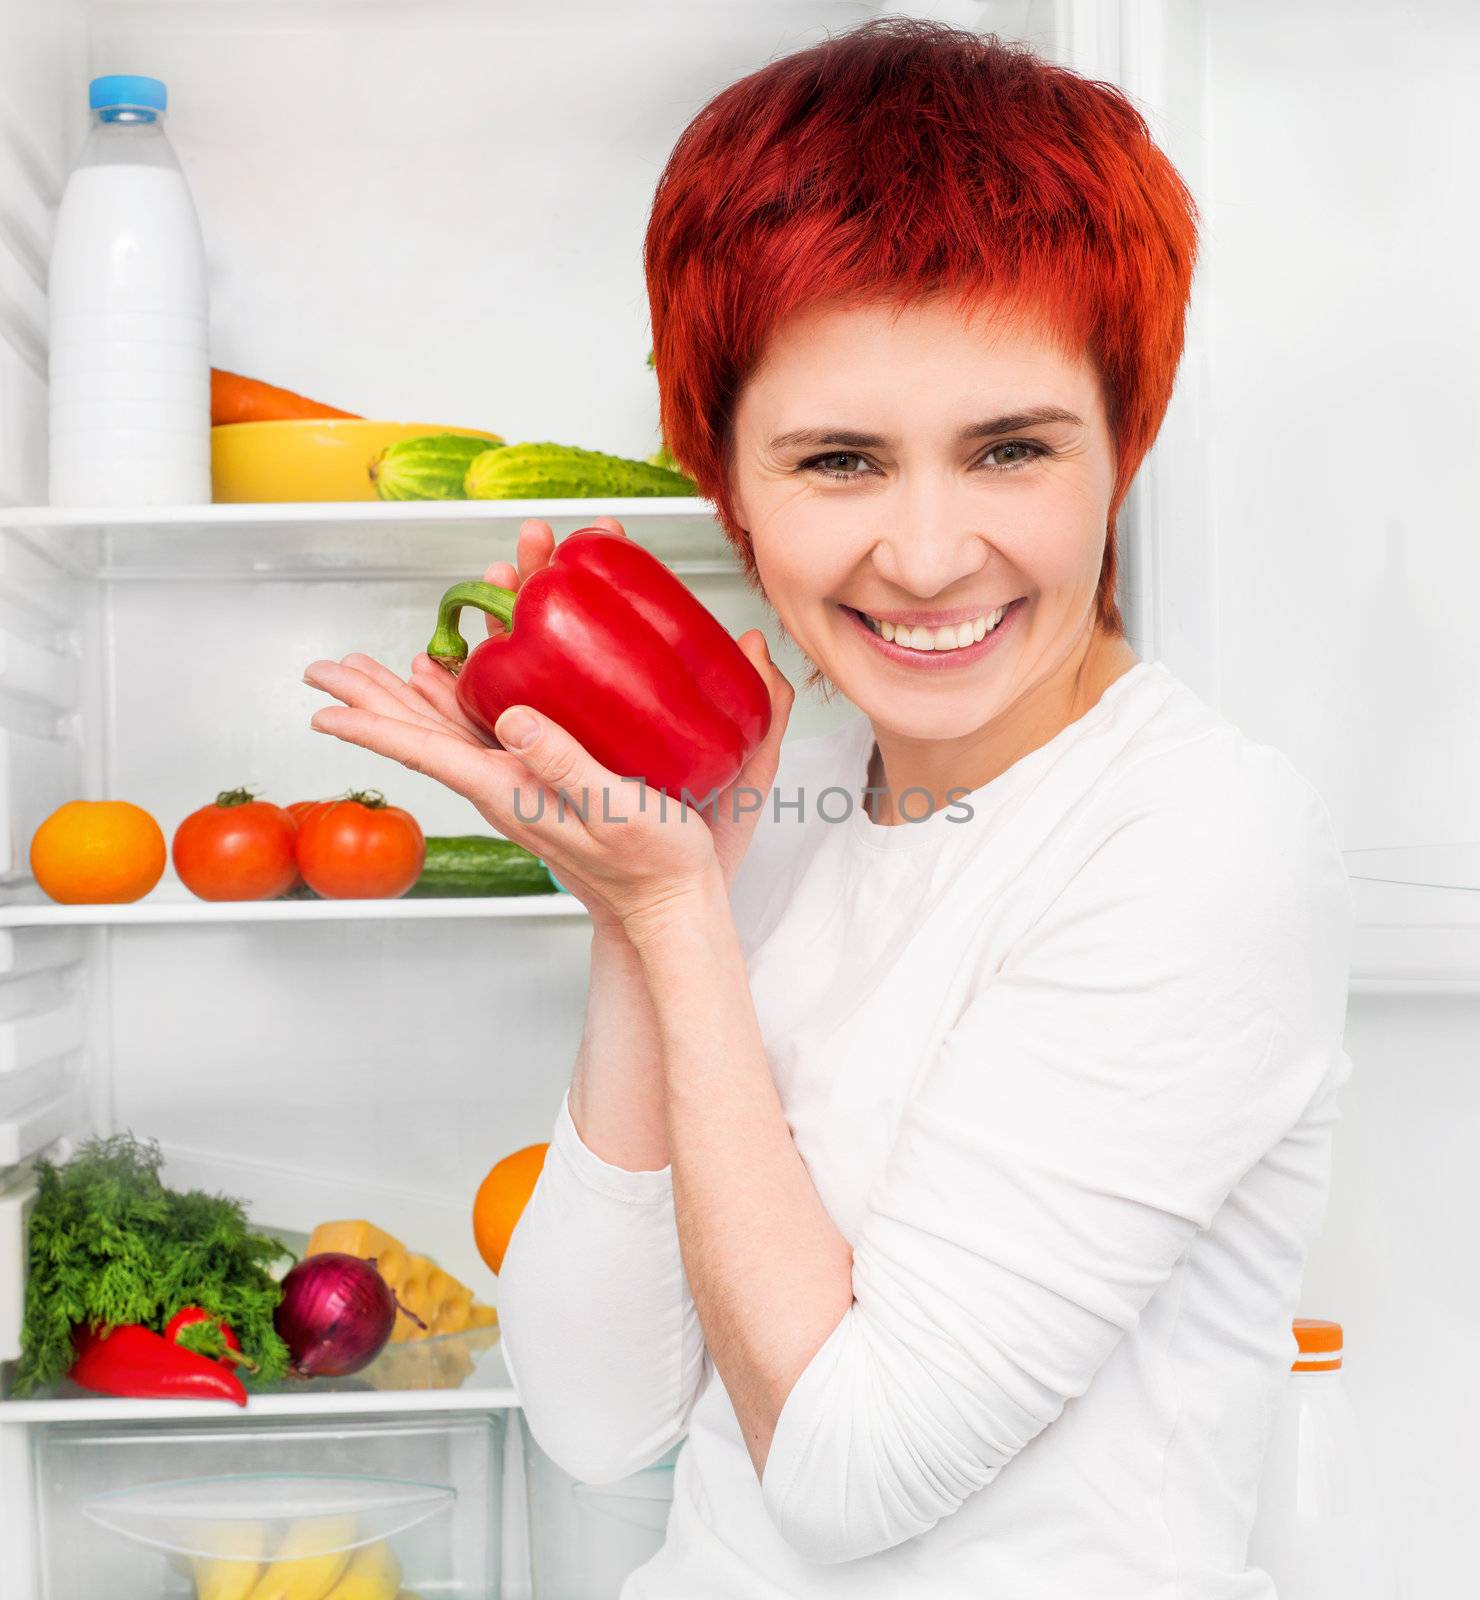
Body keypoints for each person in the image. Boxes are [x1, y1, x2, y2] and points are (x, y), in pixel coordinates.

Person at [303, 19, 1354, 1598]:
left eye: (1010, 449)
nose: (929, 558)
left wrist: (677, 918)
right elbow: (595, 1418)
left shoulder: (1201, 842)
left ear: (1123, 444)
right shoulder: (775, 797)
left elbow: (849, 1478)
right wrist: (637, 906)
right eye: (840, 462)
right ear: (725, 484)